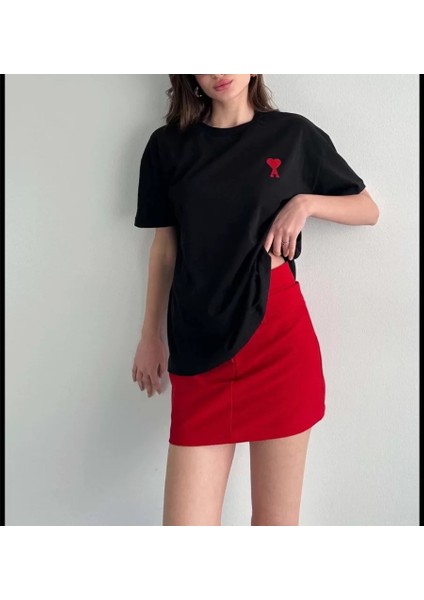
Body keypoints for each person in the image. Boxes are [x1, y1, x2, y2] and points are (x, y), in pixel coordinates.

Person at [132, 74, 379, 526]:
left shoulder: (293, 135)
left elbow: (367, 209)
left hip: (278, 343)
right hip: (198, 346)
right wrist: (151, 335)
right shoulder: (167, 147)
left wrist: (305, 203)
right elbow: (164, 248)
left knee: (275, 527)